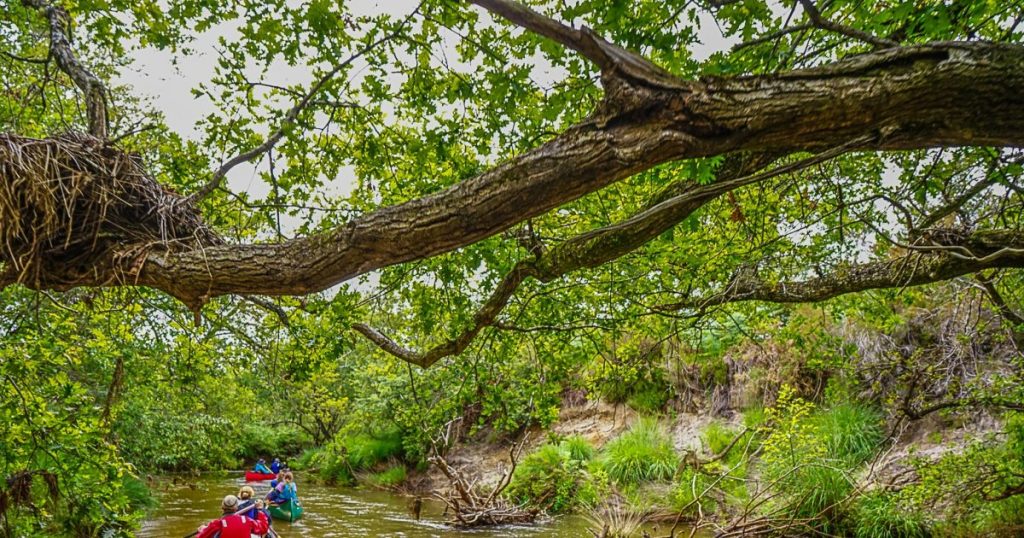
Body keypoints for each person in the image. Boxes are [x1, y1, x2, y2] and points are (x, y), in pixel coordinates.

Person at [195, 494, 269, 538]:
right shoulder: (247, 520)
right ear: (236, 508)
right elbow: (263, 527)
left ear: (222, 507)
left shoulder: (217, 524)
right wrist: (260, 510)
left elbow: (200, 537)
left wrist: (202, 530)